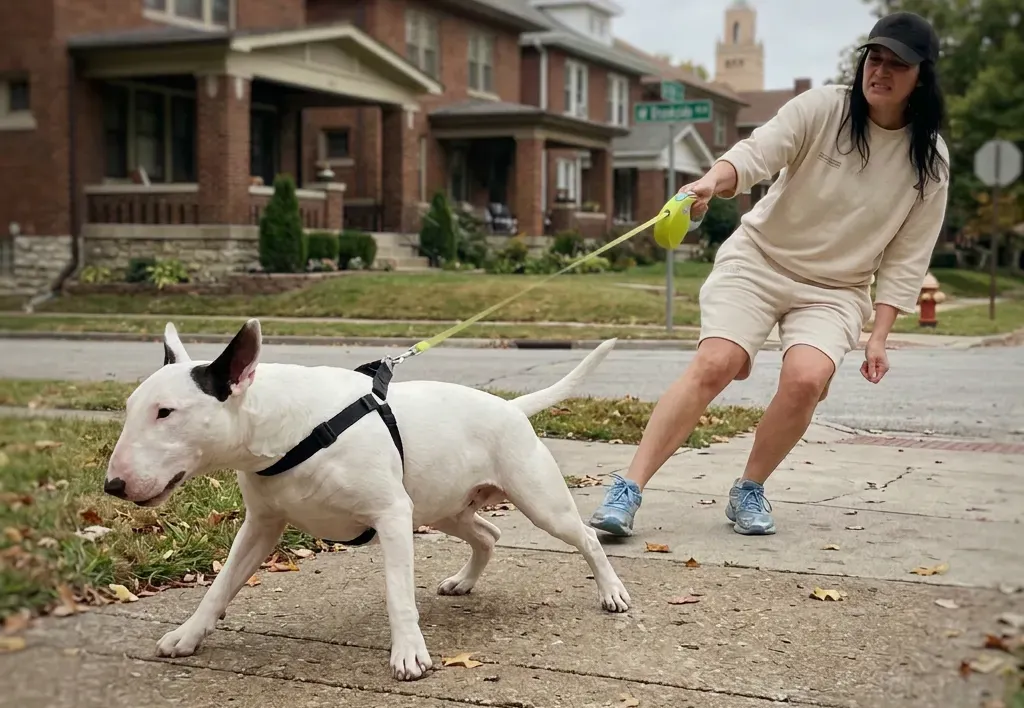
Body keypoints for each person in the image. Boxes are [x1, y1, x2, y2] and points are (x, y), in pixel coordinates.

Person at [588, 11, 949, 537]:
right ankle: (628, 488)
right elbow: (758, 152)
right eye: (875, 57)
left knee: (806, 380)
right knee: (717, 362)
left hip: (837, 289)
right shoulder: (824, 108)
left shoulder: (929, 161)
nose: (881, 71)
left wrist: (880, 335)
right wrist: (712, 181)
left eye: (898, 64)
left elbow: (908, 256)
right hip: (759, 260)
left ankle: (749, 489)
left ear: (923, 76)